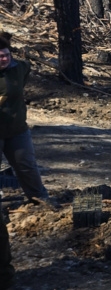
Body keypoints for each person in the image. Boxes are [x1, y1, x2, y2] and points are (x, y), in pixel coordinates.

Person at [0, 32, 58, 209]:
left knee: (26, 165)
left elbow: (22, 79)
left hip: (17, 129)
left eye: (7, 55)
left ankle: (39, 198)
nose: (5, 59)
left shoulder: (19, 68)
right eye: (0, 56)